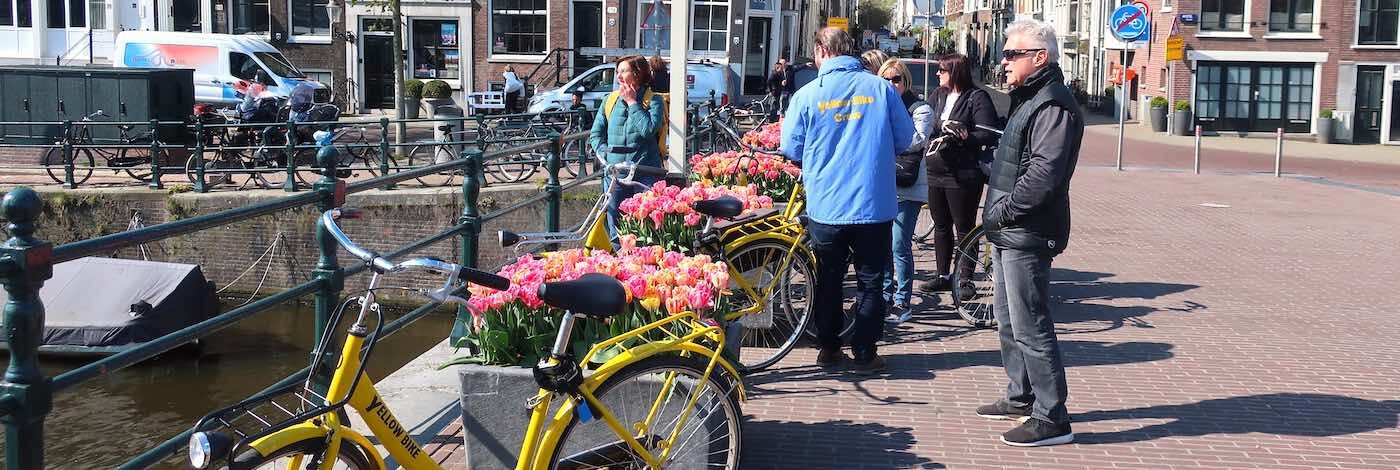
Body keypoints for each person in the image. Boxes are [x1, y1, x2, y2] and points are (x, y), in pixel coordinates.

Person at [974, 19, 1083, 447]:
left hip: (1027, 229)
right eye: (1003, 53)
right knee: (1007, 318)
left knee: (1030, 323)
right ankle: (1021, 395)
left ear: (1039, 58)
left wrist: (1001, 211)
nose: (1003, 62)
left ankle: (1052, 417)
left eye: (1011, 54)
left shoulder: (1052, 104)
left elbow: (1043, 176)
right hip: (1009, 229)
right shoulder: (1029, 98)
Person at [781, 27, 914, 374]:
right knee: (871, 280)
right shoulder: (882, 90)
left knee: (829, 277)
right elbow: (904, 139)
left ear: (823, 51)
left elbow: (791, 148)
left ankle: (829, 348)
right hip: (873, 203)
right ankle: (866, 353)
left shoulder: (807, 95)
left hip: (827, 204)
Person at [919, 53, 999, 297]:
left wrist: (964, 136)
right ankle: (943, 275)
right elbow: (928, 121)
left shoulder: (977, 97)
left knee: (964, 227)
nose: (937, 74)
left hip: (962, 174)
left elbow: (988, 133)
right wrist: (941, 128)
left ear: (955, 72)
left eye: (942, 70)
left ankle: (965, 279)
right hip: (936, 170)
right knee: (941, 225)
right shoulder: (939, 95)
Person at [876, 58, 933, 325]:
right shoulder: (877, 105)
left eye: (896, 79)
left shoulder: (920, 108)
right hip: (881, 184)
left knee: (900, 243)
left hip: (908, 186)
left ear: (905, 80)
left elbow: (916, 141)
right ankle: (885, 296)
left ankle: (902, 300)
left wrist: (881, 142)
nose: (891, 83)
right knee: (883, 245)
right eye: (886, 79)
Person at [588, 55, 666, 242]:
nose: (619, 77)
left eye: (624, 71)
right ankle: (620, 263)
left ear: (638, 74)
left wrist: (632, 103)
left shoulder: (654, 101)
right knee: (615, 222)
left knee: (646, 224)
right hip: (615, 173)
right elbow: (595, 134)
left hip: (644, 171)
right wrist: (605, 154)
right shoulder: (610, 100)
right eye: (617, 72)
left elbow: (647, 130)